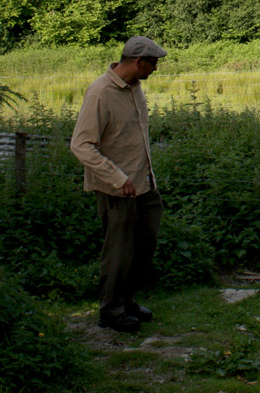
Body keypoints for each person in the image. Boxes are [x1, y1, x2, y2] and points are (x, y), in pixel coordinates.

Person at [70, 36, 167, 332]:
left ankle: (127, 301)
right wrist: (117, 176)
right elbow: (81, 145)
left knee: (145, 244)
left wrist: (144, 177)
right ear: (138, 62)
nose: (155, 70)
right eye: (153, 64)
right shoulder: (100, 92)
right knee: (119, 251)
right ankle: (110, 311)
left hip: (144, 183)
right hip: (116, 188)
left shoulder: (135, 89)